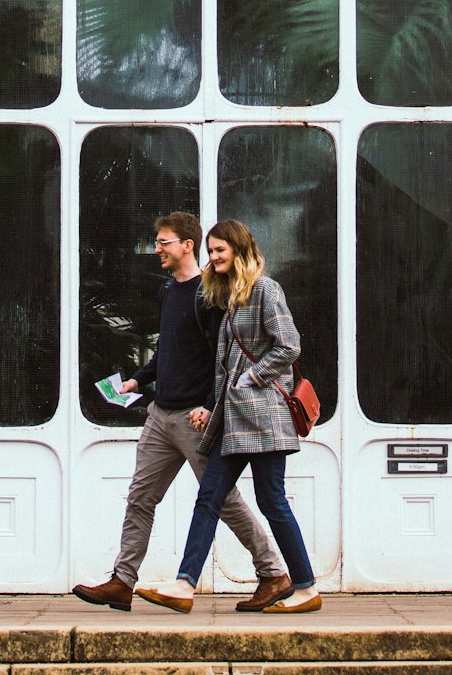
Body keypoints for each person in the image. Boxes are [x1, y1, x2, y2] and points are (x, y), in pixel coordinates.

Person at [72, 212, 289, 612]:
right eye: (156, 241)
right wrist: (138, 380)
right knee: (140, 496)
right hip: (160, 415)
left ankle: (273, 571)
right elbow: (168, 350)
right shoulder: (167, 292)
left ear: (187, 245)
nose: (157, 249)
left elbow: (222, 358)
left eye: (163, 242)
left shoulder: (210, 297)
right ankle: (122, 582)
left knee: (223, 500)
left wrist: (210, 406)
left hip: (195, 417)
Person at [135, 220, 321, 615]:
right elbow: (223, 366)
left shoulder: (265, 290)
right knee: (209, 497)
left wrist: (250, 379)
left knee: (272, 502)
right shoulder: (230, 296)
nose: (213, 257)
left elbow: (289, 346)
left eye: (220, 250)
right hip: (235, 422)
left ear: (239, 249)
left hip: (265, 417)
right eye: (211, 251)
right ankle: (184, 585)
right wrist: (212, 407)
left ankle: (304, 587)